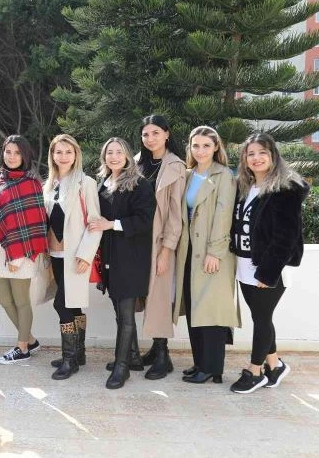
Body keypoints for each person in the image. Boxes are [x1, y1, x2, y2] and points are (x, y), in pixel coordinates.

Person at [229, 133, 308, 394]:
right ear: (244, 159)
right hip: (244, 264)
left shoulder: (285, 189)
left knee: (262, 319)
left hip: (269, 268)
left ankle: (255, 371)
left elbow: (286, 236)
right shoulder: (245, 186)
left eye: (262, 152)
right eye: (250, 153)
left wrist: (268, 272)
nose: (256, 158)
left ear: (273, 155)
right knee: (260, 317)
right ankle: (275, 364)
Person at [173, 126, 239, 385]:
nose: (200, 151)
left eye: (206, 146)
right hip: (189, 250)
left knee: (211, 310)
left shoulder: (224, 176)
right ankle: (200, 362)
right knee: (194, 308)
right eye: (196, 146)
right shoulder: (188, 175)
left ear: (216, 147)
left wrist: (215, 251)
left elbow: (224, 216)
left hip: (212, 252)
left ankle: (212, 367)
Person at [88, 138, 155, 389]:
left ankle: (122, 367)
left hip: (131, 258)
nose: (114, 157)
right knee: (119, 311)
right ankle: (133, 357)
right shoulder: (103, 183)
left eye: (119, 152)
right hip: (110, 257)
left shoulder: (140, 184)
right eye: (109, 152)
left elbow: (145, 220)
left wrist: (111, 224)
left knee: (126, 315)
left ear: (127, 155)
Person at [0, 135, 48, 366]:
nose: (11, 156)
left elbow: (35, 222)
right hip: (0, 249)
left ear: (25, 156)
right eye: (8, 152)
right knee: (3, 299)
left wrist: (18, 256)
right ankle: (30, 340)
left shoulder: (32, 183)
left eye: (17, 153)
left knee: (21, 300)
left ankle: (22, 348)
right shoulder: (0, 180)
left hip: (22, 251)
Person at [41, 134, 102, 379]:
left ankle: (69, 360)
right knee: (73, 303)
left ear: (76, 154)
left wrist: (86, 254)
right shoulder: (49, 184)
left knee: (62, 303)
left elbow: (95, 222)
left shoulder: (86, 183)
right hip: (55, 254)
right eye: (59, 152)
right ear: (52, 155)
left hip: (76, 255)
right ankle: (79, 353)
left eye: (68, 151)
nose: (63, 156)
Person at [137, 115, 187, 380]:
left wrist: (167, 250)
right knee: (147, 296)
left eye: (156, 133)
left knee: (160, 298)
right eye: (146, 134)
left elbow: (176, 215)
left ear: (167, 134)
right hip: (137, 241)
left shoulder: (175, 166)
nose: (150, 138)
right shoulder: (136, 163)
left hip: (160, 242)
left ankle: (163, 355)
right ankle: (156, 349)